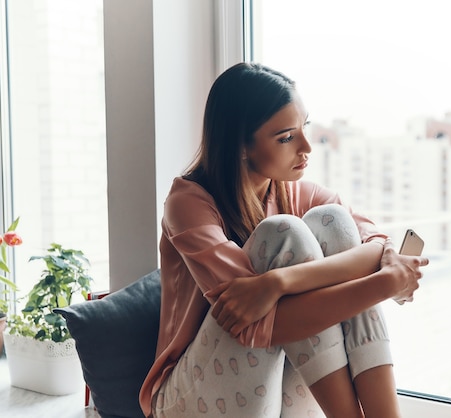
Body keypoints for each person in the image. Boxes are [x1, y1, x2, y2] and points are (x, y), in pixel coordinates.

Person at [139, 62, 429, 418]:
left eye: (304, 126)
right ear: (241, 147)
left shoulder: (294, 192)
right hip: (186, 399)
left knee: (333, 222)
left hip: (269, 383)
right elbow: (252, 326)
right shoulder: (188, 203)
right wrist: (385, 284)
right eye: (286, 137)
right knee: (283, 233)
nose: (307, 146)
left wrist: (279, 282)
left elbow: (375, 245)